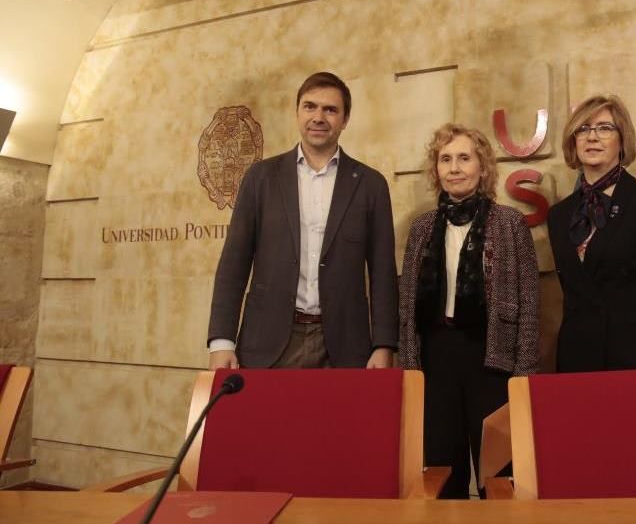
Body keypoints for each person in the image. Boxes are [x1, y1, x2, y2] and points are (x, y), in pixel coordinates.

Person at [207, 71, 398, 369]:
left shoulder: (371, 185)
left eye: (330, 110)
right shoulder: (260, 178)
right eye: (310, 106)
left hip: (345, 346)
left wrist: (384, 344)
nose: (318, 117)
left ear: (345, 120)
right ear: (297, 113)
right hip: (268, 342)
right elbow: (233, 264)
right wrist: (221, 341)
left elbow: (383, 273)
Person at [399, 124, 540, 498]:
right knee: (443, 473)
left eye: (464, 158)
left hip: (492, 360)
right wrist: (409, 370)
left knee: (500, 475)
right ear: (436, 169)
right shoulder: (422, 228)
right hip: (436, 360)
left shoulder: (510, 224)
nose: (454, 167)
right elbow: (407, 309)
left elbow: (529, 303)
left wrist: (524, 375)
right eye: (446, 159)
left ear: (482, 167)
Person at [547, 95, 636, 372]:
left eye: (604, 128)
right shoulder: (558, 215)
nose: (592, 137)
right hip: (579, 361)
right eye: (583, 129)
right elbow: (574, 292)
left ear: (623, 140)